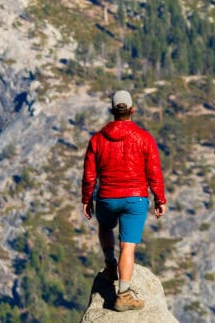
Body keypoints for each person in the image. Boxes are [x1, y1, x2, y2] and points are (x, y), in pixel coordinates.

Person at [81, 89, 166, 312]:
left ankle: (110, 263)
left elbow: (90, 175)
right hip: (135, 199)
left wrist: (87, 199)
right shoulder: (144, 138)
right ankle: (124, 294)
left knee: (105, 225)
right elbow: (154, 171)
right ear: (132, 110)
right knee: (127, 247)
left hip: (107, 197)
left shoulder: (97, 140)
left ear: (112, 111)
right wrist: (160, 199)